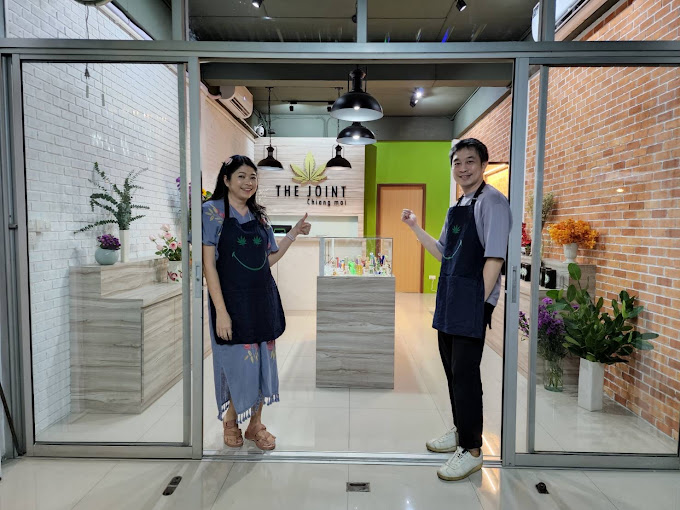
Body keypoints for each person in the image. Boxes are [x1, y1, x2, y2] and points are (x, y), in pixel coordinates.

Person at [401, 138, 511, 481]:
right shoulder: (460, 203)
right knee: (452, 372)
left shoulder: (493, 202)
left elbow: (495, 257)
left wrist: (477, 305)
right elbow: (442, 252)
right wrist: (414, 226)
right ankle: (461, 430)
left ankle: (472, 449)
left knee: (465, 375)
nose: (463, 168)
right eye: (457, 162)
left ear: (483, 165)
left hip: (471, 302)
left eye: (470, 161)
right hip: (450, 298)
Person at [202, 155, 311, 451]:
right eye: (241, 176)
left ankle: (255, 424)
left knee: (263, 364)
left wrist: (293, 234)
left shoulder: (259, 216)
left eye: (253, 177)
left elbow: (268, 260)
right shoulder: (211, 212)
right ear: (226, 180)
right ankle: (230, 419)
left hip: (262, 300)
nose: (248, 182)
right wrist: (221, 311)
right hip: (231, 303)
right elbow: (208, 265)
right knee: (239, 365)